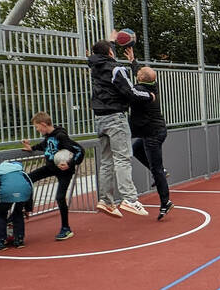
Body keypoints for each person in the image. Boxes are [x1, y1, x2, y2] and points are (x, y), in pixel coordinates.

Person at [88, 35, 154, 217]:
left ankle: (106, 200)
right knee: (122, 159)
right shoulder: (116, 68)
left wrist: (130, 62)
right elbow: (131, 92)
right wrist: (149, 96)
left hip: (100, 119)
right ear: (110, 52)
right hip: (116, 118)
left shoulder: (94, 67)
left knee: (107, 162)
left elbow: (97, 54)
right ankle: (130, 199)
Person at [126, 48, 173, 221]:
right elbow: (142, 74)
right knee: (136, 149)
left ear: (139, 79)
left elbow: (127, 88)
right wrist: (133, 62)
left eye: (138, 73)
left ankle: (165, 202)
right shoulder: (153, 85)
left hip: (152, 133)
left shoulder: (140, 92)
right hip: (157, 131)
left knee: (156, 169)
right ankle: (161, 172)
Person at [22, 112, 85, 240]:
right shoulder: (49, 136)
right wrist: (31, 148)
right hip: (50, 168)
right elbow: (45, 146)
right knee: (28, 178)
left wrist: (70, 163)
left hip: (64, 171)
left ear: (44, 124)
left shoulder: (61, 136)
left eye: (37, 127)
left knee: (60, 197)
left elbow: (80, 150)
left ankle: (66, 228)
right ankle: (26, 208)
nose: (37, 130)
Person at [0, 160, 33, 251]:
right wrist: (28, 208)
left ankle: (1, 241)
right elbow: (30, 187)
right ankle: (19, 240)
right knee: (18, 213)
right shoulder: (22, 173)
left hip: (6, 193)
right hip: (24, 192)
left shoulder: (0, 175)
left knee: (1, 214)